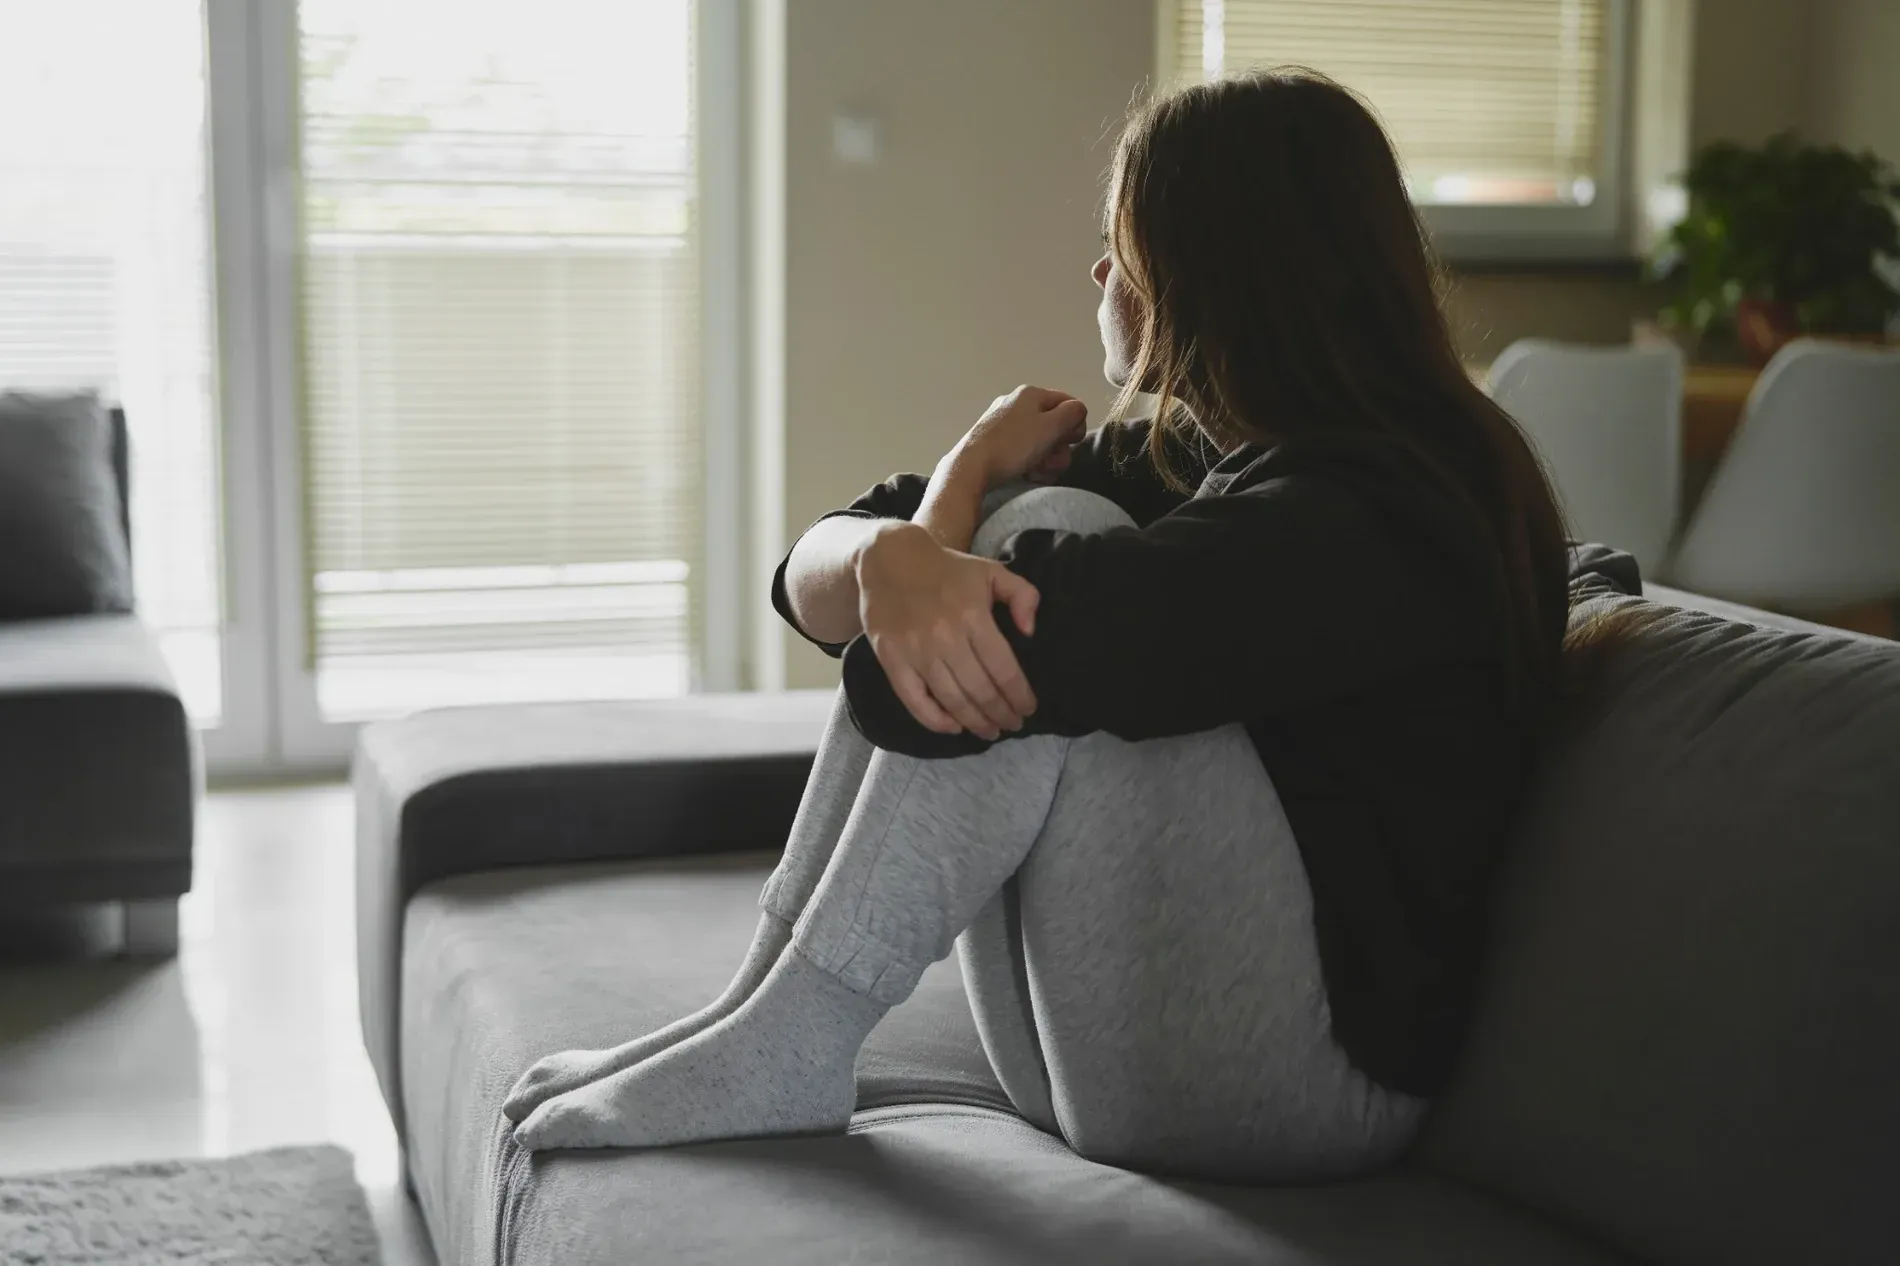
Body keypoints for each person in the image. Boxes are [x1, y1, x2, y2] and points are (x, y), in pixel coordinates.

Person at [501, 67, 1574, 1183]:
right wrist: (908, 533)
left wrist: (933, 559)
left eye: (1121, 246)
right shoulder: (1211, 452)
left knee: (1039, 547)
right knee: (1024, 539)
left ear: (1206, 270)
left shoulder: (1385, 511)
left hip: (1297, 1089)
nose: (1100, 275)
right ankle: (760, 1014)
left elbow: (928, 670)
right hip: (1118, 1055)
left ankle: (789, 1040)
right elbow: (806, 582)